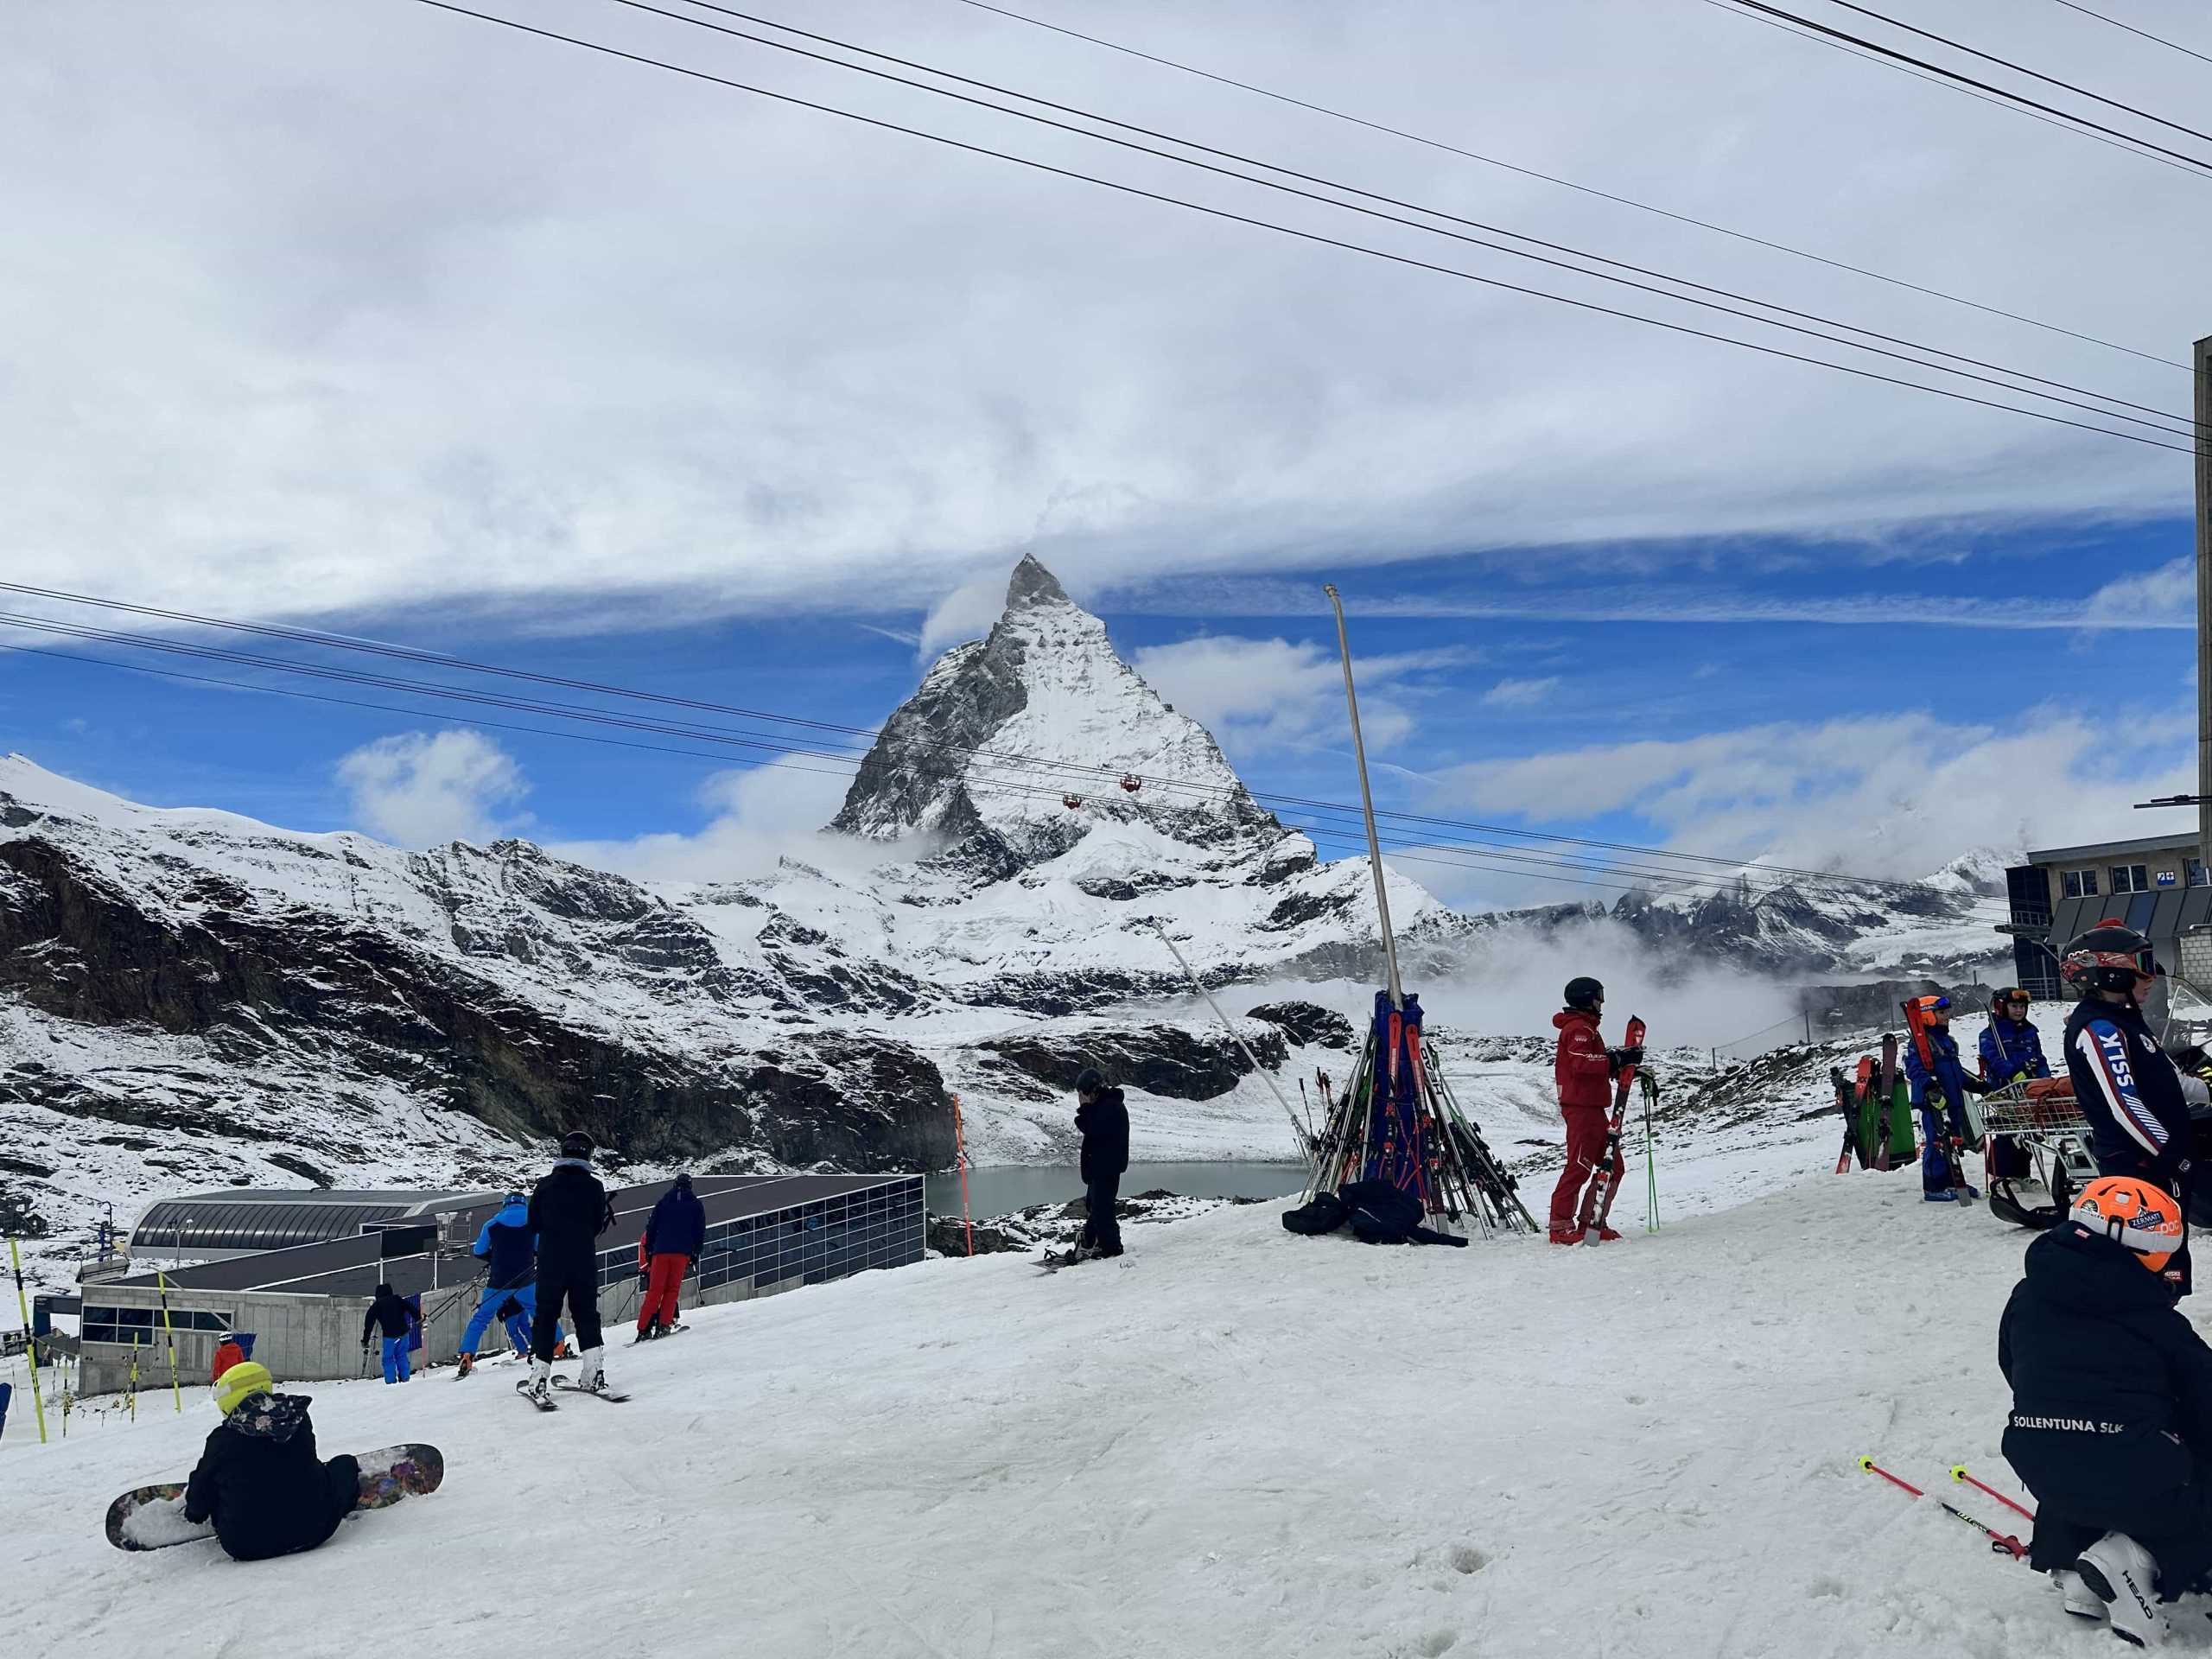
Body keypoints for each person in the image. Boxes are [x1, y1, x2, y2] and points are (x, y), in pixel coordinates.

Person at [1999, 1175, 2212, 1645]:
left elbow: (2012, 1368)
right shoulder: (2156, 1321)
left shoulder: (2026, 1297)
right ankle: (2138, 1559)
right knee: (2176, 1481)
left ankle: (2073, 1566)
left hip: (2043, 1470)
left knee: (2071, 1449)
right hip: (2133, 1480)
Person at [2062, 920, 2212, 1295]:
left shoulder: (2126, 1021)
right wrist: (2172, 1154)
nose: (2152, 975)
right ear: (2110, 971)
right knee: (2148, 1264)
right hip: (2138, 1167)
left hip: (2159, 1161)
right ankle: (2144, 1339)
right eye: (2143, 962)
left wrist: (2208, 1092)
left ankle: (2161, 1331)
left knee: (2170, 1259)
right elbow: (2124, 1105)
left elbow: (2169, 1080)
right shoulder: (2100, 1029)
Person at [183, 1361, 361, 1562]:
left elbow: (200, 1491)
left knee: (216, 1485)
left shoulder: (223, 1439)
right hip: (318, 1529)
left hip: (245, 1544)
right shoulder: (298, 1418)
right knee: (345, 1464)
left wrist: (195, 1513)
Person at [1547, 976, 1643, 1245]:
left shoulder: (1587, 1028)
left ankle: (1593, 1220)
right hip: (1581, 1109)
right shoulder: (1578, 1028)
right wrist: (1616, 1059)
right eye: (1598, 996)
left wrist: (1618, 1066)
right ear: (1586, 998)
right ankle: (1560, 1225)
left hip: (1592, 1107)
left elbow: (1589, 1065)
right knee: (1579, 1166)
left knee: (1614, 1166)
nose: (1602, 1001)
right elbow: (1581, 1063)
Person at [525, 1129, 616, 1403]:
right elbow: (597, 1224)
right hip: (583, 1258)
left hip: (552, 1258)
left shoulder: (545, 1185)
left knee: (545, 1316)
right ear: (588, 1155)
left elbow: (533, 1223)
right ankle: (594, 1372)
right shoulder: (595, 1186)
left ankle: (539, 1378)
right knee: (587, 1313)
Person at [1902, 995, 1997, 1203]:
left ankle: (1953, 1180)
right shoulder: (1920, 1043)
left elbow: (1956, 1073)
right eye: (1942, 1012)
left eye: (1947, 1012)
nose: (1948, 1016)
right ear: (1928, 1015)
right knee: (1937, 1142)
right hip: (1933, 1102)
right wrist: (1930, 1088)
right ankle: (1934, 1186)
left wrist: (1976, 1086)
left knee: (1952, 1142)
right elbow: (1914, 1069)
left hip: (1953, 1101)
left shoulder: (1948, 1041)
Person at [457, 1192, 553, 1377]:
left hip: (498, 1282)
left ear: (504, 1205)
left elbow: (478, 1251)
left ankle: (466, 1357)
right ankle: (558, 1346)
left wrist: (494, 1258)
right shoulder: (534, 1223)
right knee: (541, 1313)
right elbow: (539, 1249)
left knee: (481, 1318)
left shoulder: (491, 1225)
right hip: (525, 1280)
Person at [1981, 988, 2050, 1184]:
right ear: (2002, 1007)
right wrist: (2012, 1073)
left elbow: (2039, 1057)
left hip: (2028, 1088)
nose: (2019, 1010)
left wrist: (2044, 1079)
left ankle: (2022, 1173)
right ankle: (2001, 1173)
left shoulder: (2030, 1031)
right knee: (2007, 1130)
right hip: (2004, 1088)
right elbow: (1992, 1057)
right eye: (2014, 1006)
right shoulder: (1990, 1034)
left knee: (2027, 1131)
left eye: (2022, 1006)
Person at [637, 1173, 705, 1340]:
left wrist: (650, 1250)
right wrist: (696, 1252)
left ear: (675, 1184)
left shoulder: (663, 1202)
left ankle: (643, 1329)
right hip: (681, 1253)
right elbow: (699, 1230)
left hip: (661, 1251)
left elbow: (651, 1227)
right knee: (672, 1290)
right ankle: (664, 1325)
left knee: (654, 1291)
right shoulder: (696, 1204)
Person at [1074, 1069, 1129, 1260]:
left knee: (1103, 1208)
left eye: (1083, 1094)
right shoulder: (1107, 1105)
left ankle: (1111, 1247)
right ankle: (1090, 1240)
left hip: (1106, 1167)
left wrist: (1085, 1107)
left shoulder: (1109, 1107)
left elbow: (1091, 1127)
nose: (1082, 1099)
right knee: (1096, 1206)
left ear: (1092, 1091)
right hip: (1102, 1167)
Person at [360, 1282, 413, 1384]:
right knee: (402, 1355)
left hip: (390, 1336)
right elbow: (411, 1307)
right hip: (404, 1333)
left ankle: (391, 1381)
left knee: (388, 1358)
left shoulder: (377, 1305)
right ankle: (405, 1378)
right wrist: (419, 1319)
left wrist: (365, 1340)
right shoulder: (397, 1299)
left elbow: (369, 1324)